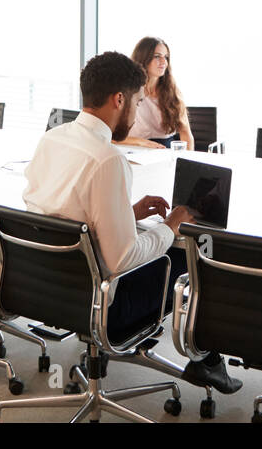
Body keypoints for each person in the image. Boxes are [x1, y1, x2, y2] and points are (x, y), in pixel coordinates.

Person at [22, 51, 239, 393]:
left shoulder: (53, 138)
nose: (138, 113)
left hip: (46, 287)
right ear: (118, 99)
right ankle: (204, 361)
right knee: (190, 255)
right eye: (138, 103)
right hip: (104, 304)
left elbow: (59, 212)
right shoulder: (108, 159)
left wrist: (126, 211)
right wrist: (171, 225)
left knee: (161, 239)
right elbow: (122, 259)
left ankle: (205, 360)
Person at [118, 36, 195, 150]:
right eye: (157, 56)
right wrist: (140, 142)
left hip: (164, 151)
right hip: (133, 149)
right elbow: (109, 136)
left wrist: (187, 164)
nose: (164, 62)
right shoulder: (126, 91)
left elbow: (186, 134)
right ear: (143, 58)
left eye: (166, 57)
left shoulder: (172, 92)